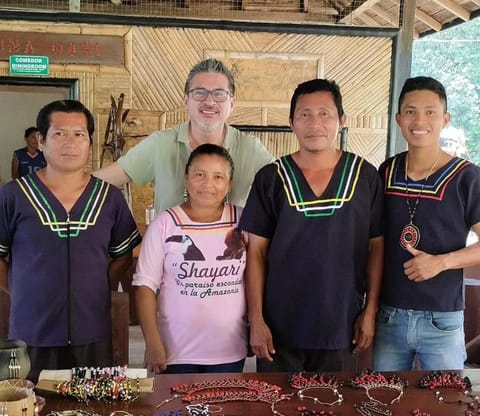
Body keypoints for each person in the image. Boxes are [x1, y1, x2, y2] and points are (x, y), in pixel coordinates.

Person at [239, 79, 384, 373]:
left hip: (340, 327)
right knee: (275, 414)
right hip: (279, 329)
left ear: (342, 121)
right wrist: (256, 320)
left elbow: (377, 247)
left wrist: (370, 311)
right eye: (304, 114)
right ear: (291, 122)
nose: (314, 123)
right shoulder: (271, 177)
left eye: (324, 114)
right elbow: (255, 253)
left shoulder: (365, 176)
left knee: (334, 415)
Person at [0, 100, 142, 382]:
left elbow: (123, 255)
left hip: (93, 330)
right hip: (32, 332)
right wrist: (18, 291)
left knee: (92, 410)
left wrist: (97, 284)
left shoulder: (109, 198)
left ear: (90, 143)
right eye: (59, 134)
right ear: (41, 141)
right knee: (31, 409)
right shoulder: (13, 196)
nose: (70, 143)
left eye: (79, 135)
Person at [372, 76, 480, 371]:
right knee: (384, 403)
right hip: (389, 315)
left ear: (445, 119)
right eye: (410, 111)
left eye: (430, 111)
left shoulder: (467, 177)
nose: (419, 120)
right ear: (398, 118)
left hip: (441, 319)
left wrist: (441, 262)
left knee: (447, 405)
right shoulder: (387, 170)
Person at [93, 58, 273, 213]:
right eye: (199, 93)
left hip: (232, 251)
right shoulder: (161, 144)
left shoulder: (250, 148)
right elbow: (101, 181)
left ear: (232, 104)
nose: (209, 102)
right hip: (171, 250)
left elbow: (287, 191)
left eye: (219, 94)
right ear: (186, 101)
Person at [133, 143, 248, 374]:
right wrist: (153, 342)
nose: (208, 184)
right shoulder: (165, 224)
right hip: (175, 352)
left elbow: (257, 277)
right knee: (175, 409)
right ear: (186, 179)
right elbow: (144, 286)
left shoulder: (243, 221)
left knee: (224, 410)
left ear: (229, 184)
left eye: (218, 177)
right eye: (199, 175)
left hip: (229, 350)